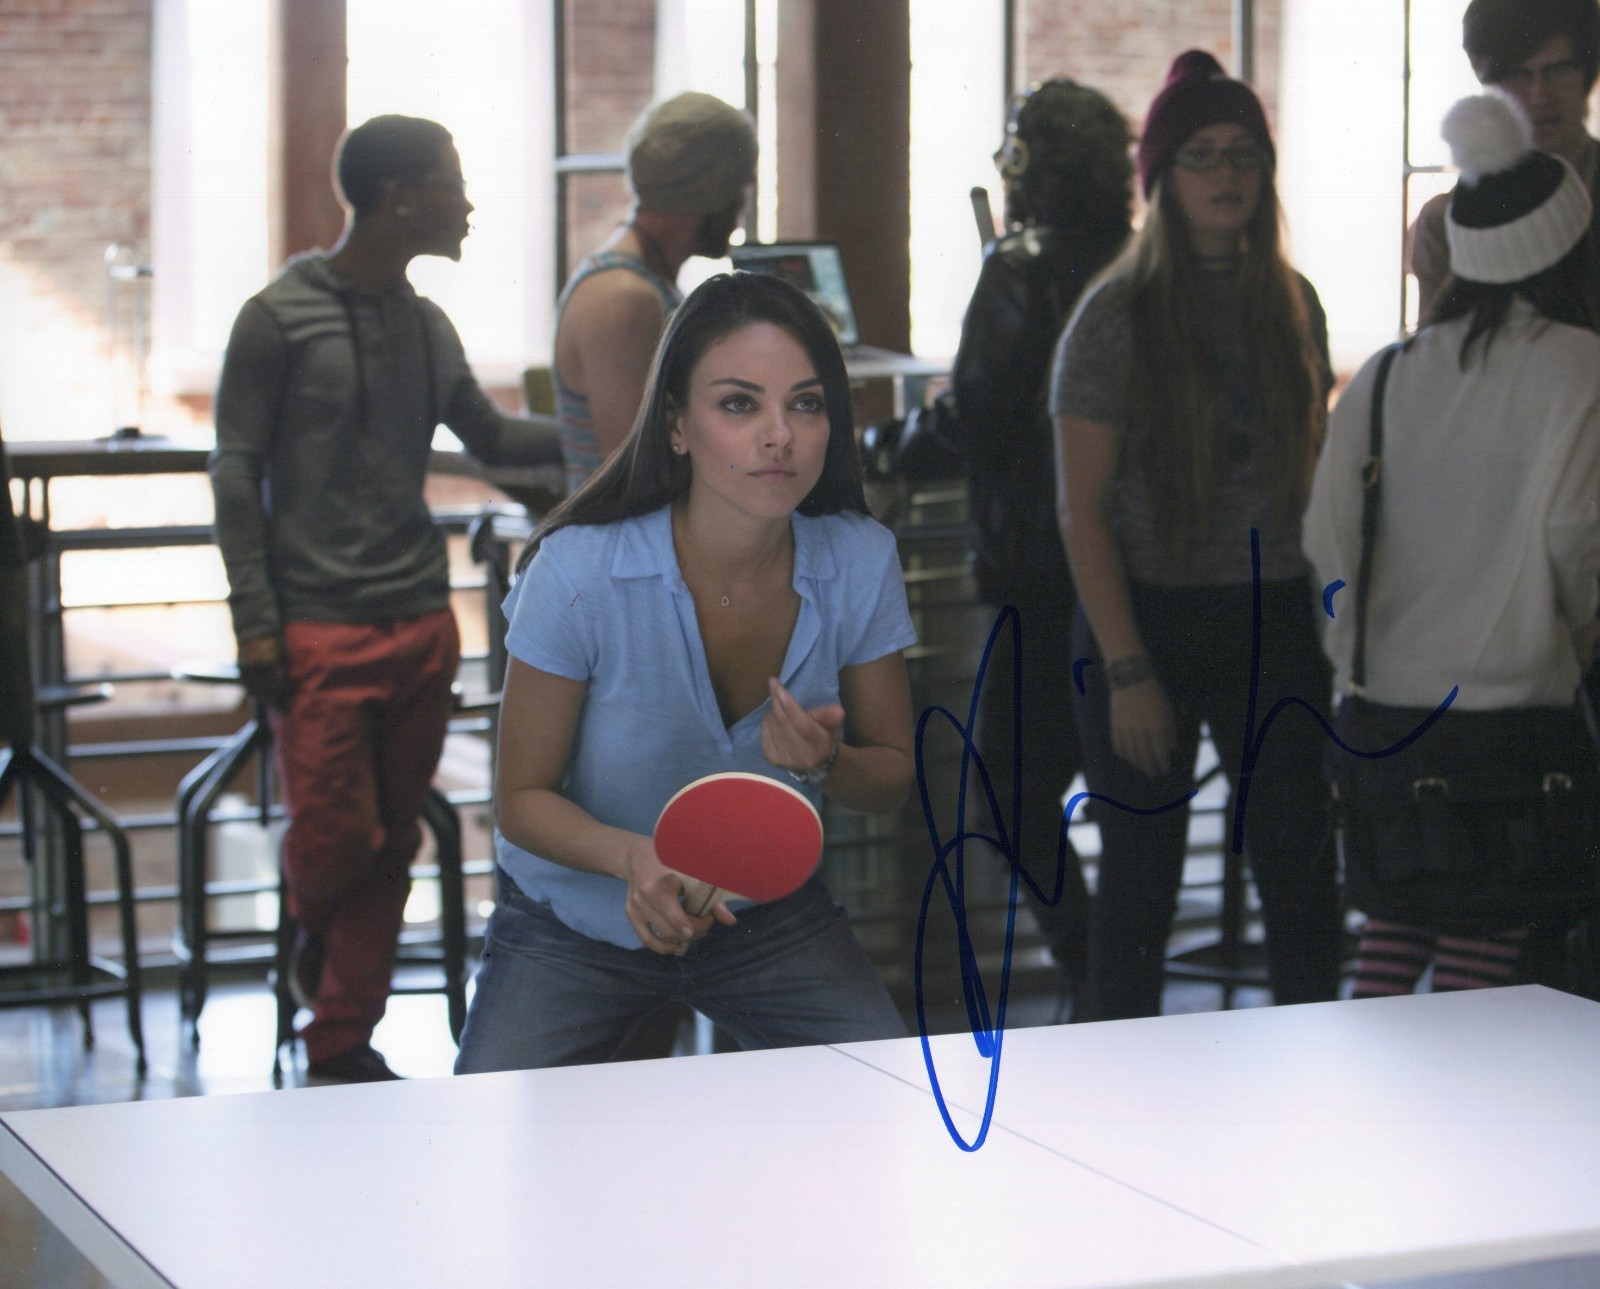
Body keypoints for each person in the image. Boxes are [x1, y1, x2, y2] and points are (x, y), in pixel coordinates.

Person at [454, 272, 915, 1073]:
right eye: (739, 404)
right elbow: (520, 801)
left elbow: (892, 777)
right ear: (675, 424)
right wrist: (635, 858)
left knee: (892, 1104)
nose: (780, 435)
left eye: (806, 404)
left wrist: (828, 762)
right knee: (492, 1127)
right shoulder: (579, 571)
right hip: (575, 922)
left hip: (763, 915)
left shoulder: (860, 558)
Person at [211, 114, 561, 1083]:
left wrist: (616, 426)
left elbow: (491, 437)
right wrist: (254, 620)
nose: (469, 204)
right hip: (315, 625)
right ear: (401, 198)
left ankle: (340, 1041)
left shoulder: (427, 324)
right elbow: (234, 470)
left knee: (392, 837)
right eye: (454, 183)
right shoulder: (276, 319)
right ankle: (312, 932)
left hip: (419, 616)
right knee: (341, 838)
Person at [1051, 50, 1343, 1021]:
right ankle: (1121, 1093)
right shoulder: (1113, 316)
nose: (1226, 174)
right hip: (1145, 620)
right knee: (1141, 887)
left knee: (1301, 880)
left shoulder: (1293, 303)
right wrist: (1129, 669)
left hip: (1272, 615)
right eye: (1202, 155)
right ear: (1162, 180)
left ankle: (1318, 1077)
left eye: (1243, 154)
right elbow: (1082, 509)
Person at [1306, 91, 1600, 997]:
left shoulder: (1387, 374)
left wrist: (1364, 652)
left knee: (1393, 937)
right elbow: (1578, 537)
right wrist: (1573, 633)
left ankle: (1364, 1082)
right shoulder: (1580, 367)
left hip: (1384, 717)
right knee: (1484, 959)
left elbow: (1325, 539)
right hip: (1511, 721)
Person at [949, 79, 1134, 1005]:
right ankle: (1118, 979)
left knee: (1010, 796)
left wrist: (887, 444)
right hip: (1134, 572)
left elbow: (978, 411)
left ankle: (1091, 965)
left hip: (1034, 569)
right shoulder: (1142, 260)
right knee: (1129, 798)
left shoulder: (1019, 266)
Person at [553, 91, 757, 493]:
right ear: (712, 190)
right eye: (742, 184)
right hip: (630, 533)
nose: (742, 205)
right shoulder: (623, 298)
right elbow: (638, 476)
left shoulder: (648, 281)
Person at [1409, 0, 1600, 317]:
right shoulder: (1448, 220)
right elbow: (1436, 342)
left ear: (1587, 73)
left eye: (1558, 70)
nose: (1539, 96)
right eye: (1516, 75)